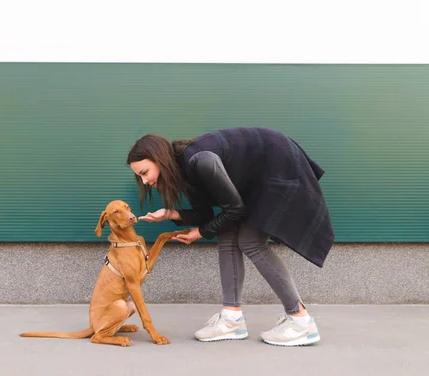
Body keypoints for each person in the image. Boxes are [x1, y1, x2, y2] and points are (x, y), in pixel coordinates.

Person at [126, 127, 334, 347]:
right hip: (259, 179)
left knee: (251, 242)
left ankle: (301, 321)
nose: (145, 181)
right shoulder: (184, 169)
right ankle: (232, 318)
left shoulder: (200, 161)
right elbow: (205, 214)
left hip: (279, 170)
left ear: (159, 160)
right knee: (226, 234)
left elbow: (235, 210)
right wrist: (169, 213)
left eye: (144, 173)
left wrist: (200, 232)